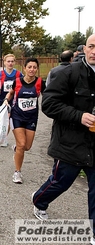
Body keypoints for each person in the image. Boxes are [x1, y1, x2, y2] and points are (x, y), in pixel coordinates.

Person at [32, 34, 95, 244]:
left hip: (93, 145)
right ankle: (39, 200)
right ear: (84, 49)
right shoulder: (67, 73)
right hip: (70, 144)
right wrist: (79, 116)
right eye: (92, 46)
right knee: (61, 182)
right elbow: (48, 104)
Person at [3, 57, 46, 184]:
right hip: (17, 116)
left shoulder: (40, 83)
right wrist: (6, 100)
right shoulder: (18, 82)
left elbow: (48, 96)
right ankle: (17, 172)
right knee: (22, 144)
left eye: (34, 67)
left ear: (37, 69)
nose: (32, 69)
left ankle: (17, 149)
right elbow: (10, 93)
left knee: (27, 146)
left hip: (32, 118)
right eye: (29, 67)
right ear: (25, 68)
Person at [0, 54, 23, 147]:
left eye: (12, 61)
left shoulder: (19, 74)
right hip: (1, 99)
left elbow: (23, 84)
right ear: (5, 62)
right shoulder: (1, 74)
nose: (10, 63)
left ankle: (4, 138)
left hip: (12, 100)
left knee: (6, 121)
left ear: (14, 62)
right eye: (8, 61)